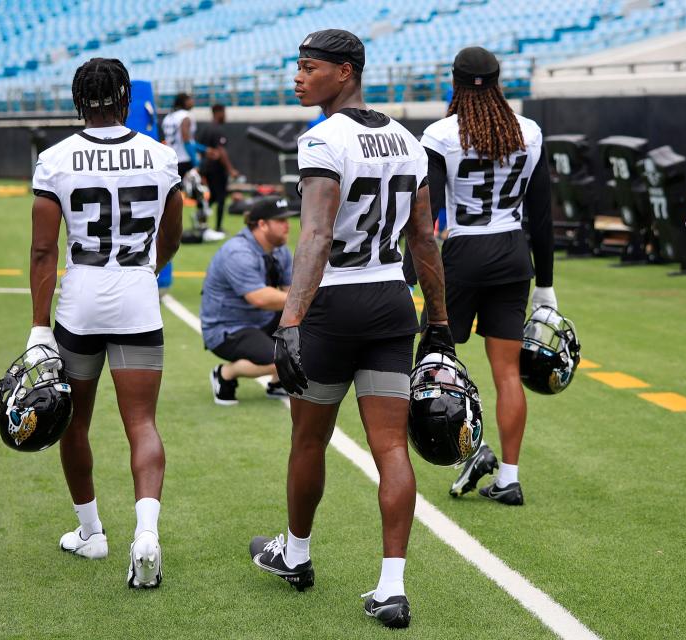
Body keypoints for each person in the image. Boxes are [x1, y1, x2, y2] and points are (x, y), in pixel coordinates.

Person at [248, 29, 450, 630]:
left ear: (345, 71)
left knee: (309, 441)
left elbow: (313, 237)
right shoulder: (407, 139)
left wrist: (290, 320)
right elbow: (424, 240)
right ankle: (392, 587)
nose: (298, 77)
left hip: (334, 305)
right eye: (298, 68)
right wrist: (436, 317)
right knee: (390, 445)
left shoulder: (322, 139)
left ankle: (297, 554)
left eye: (310, 68)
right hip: (391, 299)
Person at [28, 58, 183, 588]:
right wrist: (143, 272)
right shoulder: (161, 156)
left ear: (78, 102)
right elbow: (173, 235)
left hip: (81, 300)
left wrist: (38, 326)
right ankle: (146, 534)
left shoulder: (55, 159)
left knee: (76, 421)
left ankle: (92, 533)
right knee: (141, 422)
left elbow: (44, 249)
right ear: (125, 99)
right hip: (137, 294)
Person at [421, 47, 555, 506]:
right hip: (514, 254)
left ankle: (468, 451)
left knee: (434, 364)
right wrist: (548, 283)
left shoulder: (441, 134)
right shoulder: (529, 131)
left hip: (463, 252)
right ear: (499, 80)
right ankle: (510, 478)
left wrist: (406, 273)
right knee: (507, 374)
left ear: (454, 82)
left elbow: (428, 216)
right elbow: (542, 215)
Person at [201, 196, 294, 405]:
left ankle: (278, 383)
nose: (288, 225)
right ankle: (225, 374)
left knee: (314, 332)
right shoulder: (238, 252)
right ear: (262, 224)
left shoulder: (281, 250)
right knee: (285, 360)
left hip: (261, 319)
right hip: (227, 328)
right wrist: (310, 300)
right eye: (280, 221)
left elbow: (291, 293)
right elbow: (259, 298)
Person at [197, 103, 240, 239]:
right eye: (224, 112)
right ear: (218, 112)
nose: (225, 116)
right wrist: (231, 169)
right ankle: (218, 227)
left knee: (212, 197)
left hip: (206, 168)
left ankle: (201, 220)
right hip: (217, 169)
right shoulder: (217, 129)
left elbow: (199, 148)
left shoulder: (205, 129)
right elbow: (221, 151)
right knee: (221, 198)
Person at [162, 92, 197, 177]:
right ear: (184, 102)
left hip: (169, 159)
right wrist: (196, 162)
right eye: (190, 99)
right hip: (184, 159)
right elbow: (186, 140)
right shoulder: (185, 116)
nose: (193, 101)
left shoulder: (168, 117)